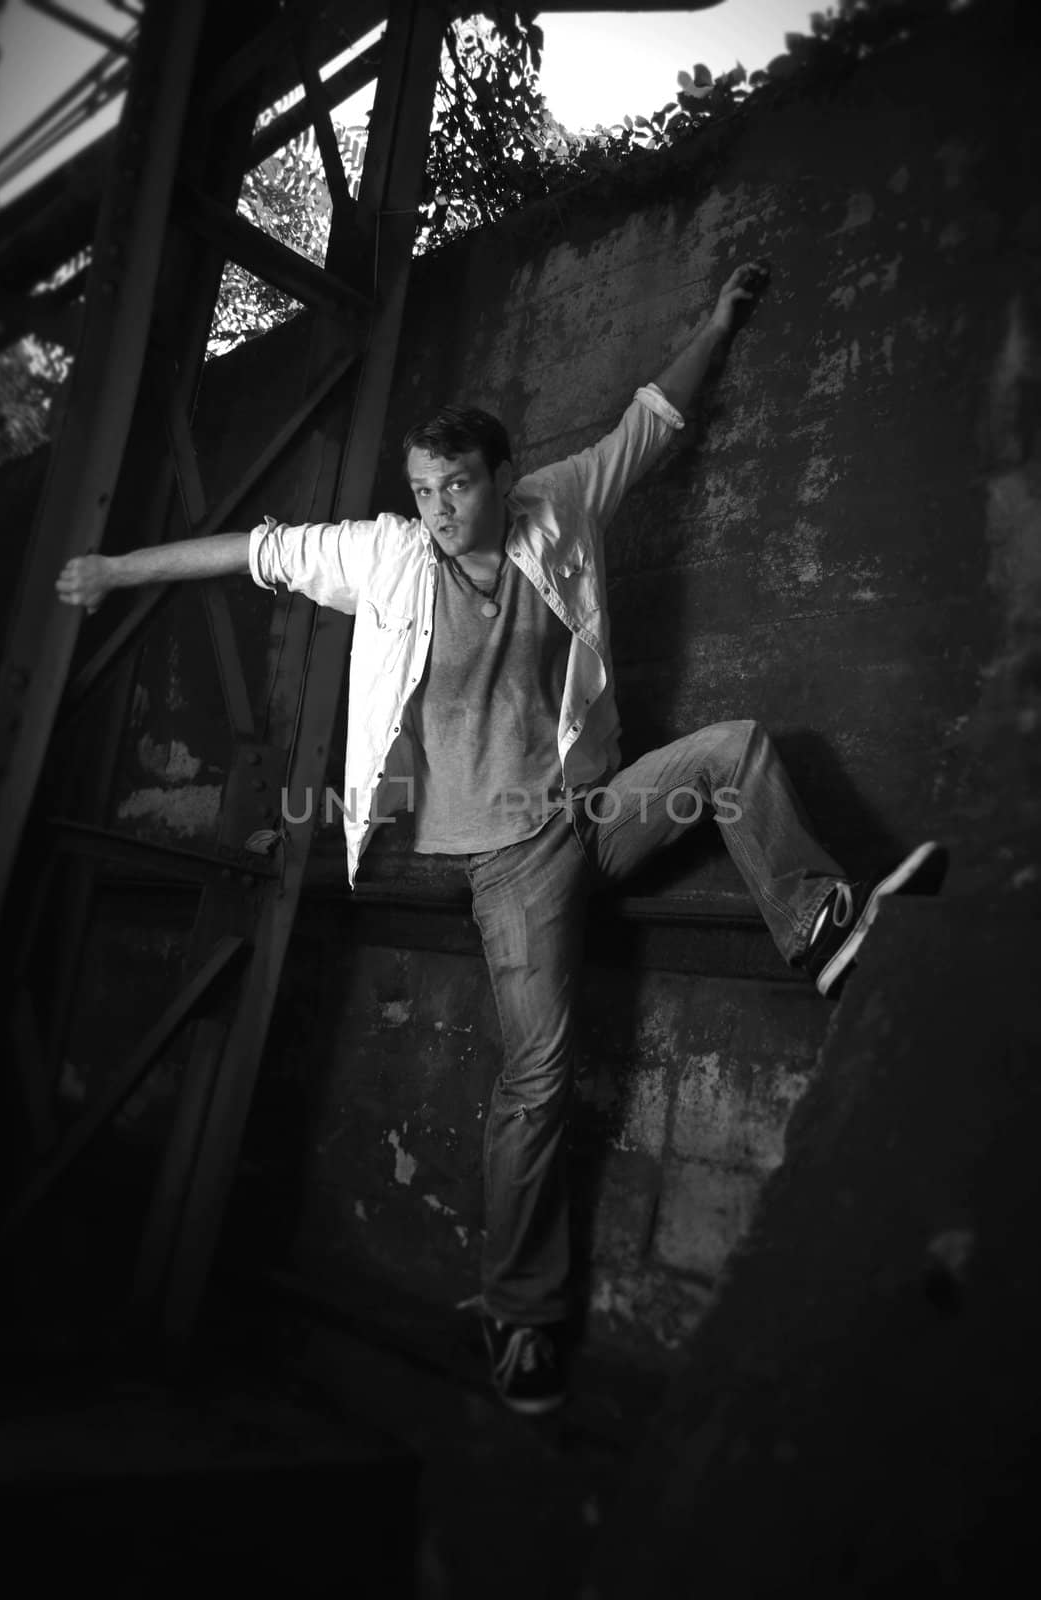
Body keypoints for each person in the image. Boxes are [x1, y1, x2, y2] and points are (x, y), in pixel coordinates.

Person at [57, 262, 946, 1416]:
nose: (434, 507)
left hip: (595, 811)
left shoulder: (558, 507)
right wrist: (119, 567)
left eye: (454, 485)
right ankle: (517, 1318)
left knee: (734, 753)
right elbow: (251, 551)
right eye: (420, 487)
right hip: (507, 865)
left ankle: (821, 925)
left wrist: (719, 321)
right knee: (536, 1080)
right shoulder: (380, 557)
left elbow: (651, 422)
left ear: (502, 476)